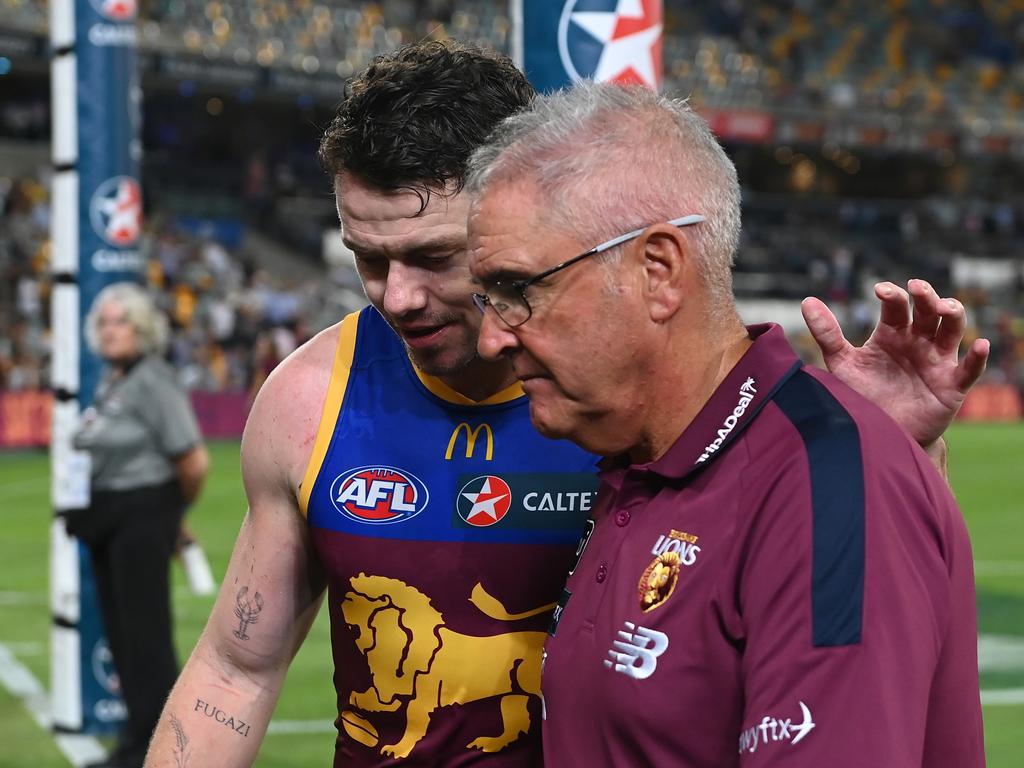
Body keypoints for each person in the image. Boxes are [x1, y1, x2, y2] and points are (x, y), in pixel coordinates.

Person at [144, 41, 987, 768]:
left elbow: (848, 583)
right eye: (366, 258)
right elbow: (233, 669)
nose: (395, 298)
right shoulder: (312, 398)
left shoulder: (637, 414)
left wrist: (874, 450)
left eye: (457, 263)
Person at [464, 81, 985, 767]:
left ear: (658, 270)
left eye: (517, 291)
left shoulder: (820, 482)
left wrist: (863, 458)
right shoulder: (638, 461)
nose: (489, 339)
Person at [69, 282, 210, 768]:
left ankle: (159, 750)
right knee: (126, 639)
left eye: (121, 321)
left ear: (143, 327)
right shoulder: (114, 381)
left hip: (142, 522)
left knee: (146, 640)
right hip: (112, 528)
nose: (110, 331)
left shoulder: (152, 378)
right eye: (104, 322)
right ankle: (136, 744)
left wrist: (173, 516)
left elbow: (193, 461)